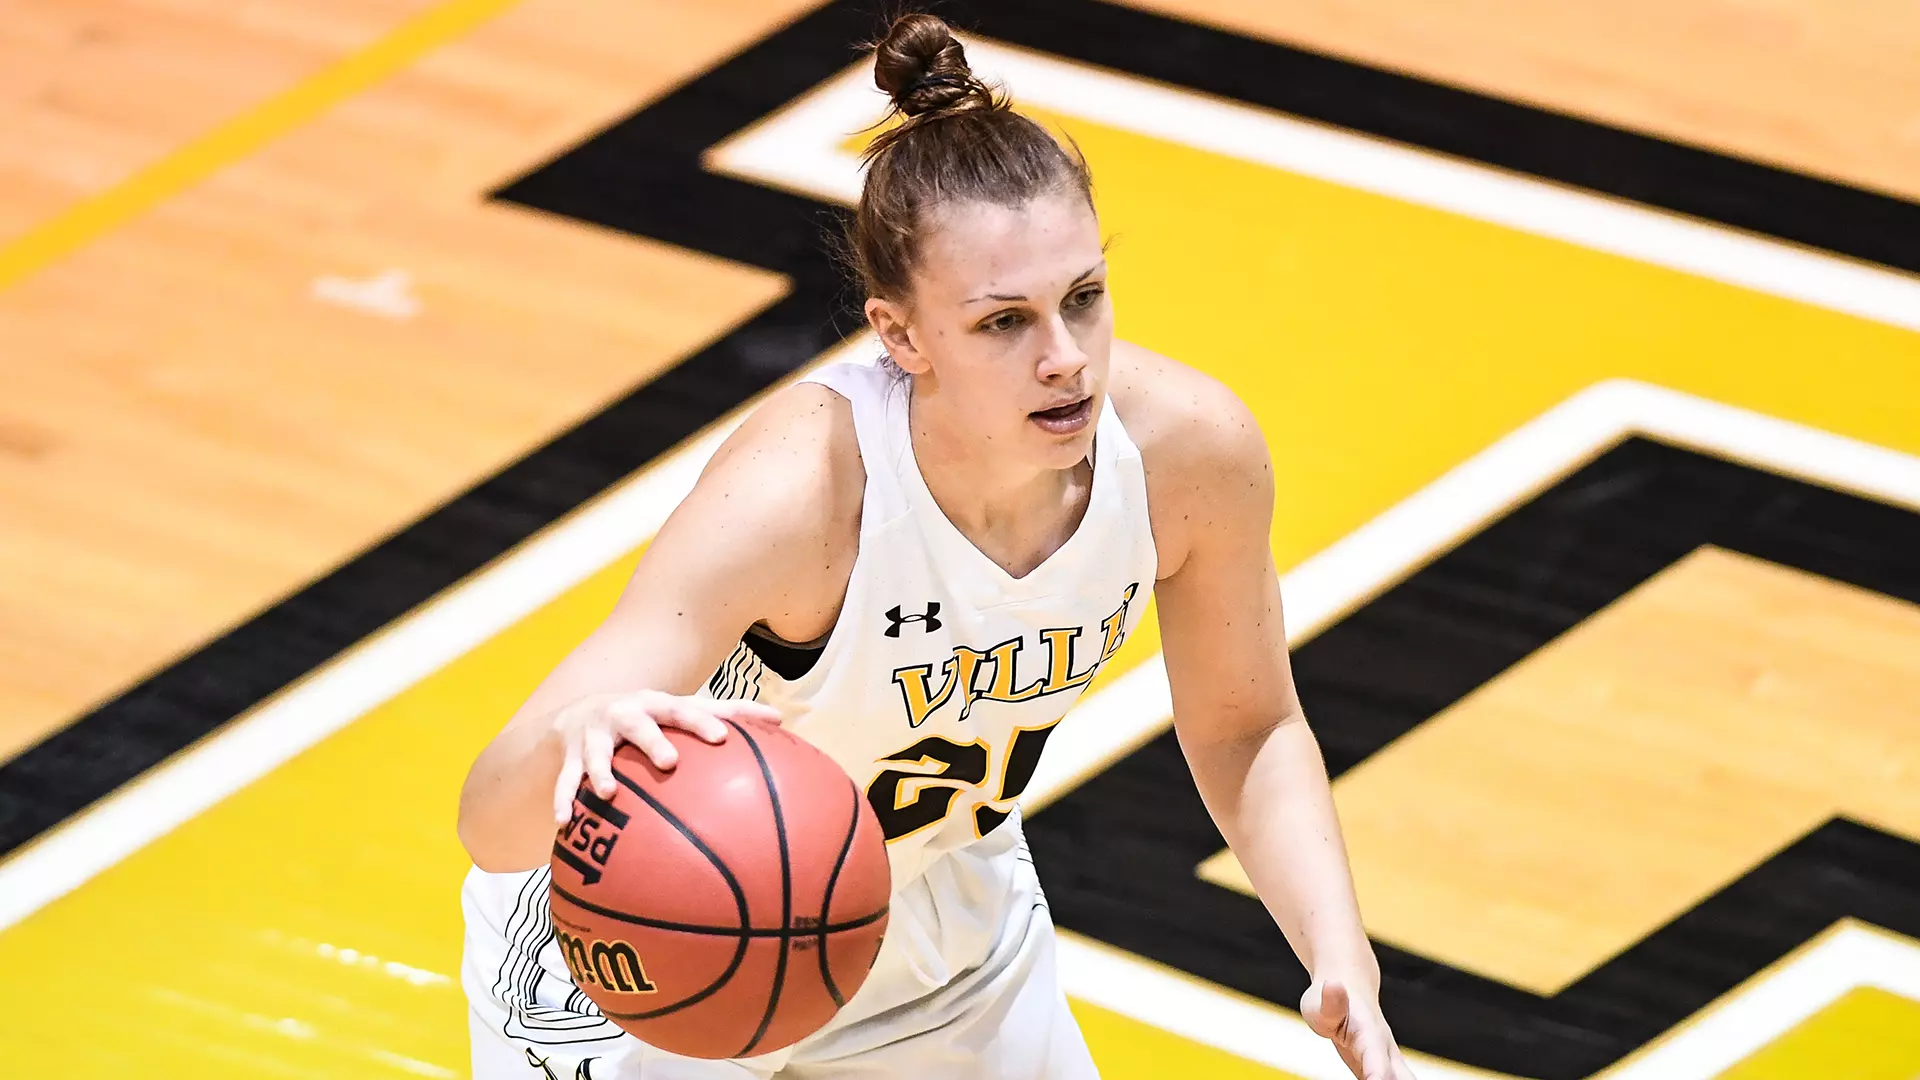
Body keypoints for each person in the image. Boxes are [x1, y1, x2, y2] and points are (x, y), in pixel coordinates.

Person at [456, 12, 1414, 1080]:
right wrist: (575, 740)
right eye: (1004, 322)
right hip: (666, 931)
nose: (1066, 359)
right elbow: (491, 824)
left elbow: (1245, 723)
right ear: (900, 334)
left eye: (1084, 299)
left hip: (927, 910)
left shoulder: (1189, 456)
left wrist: (1340, 952)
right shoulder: (799, 498)